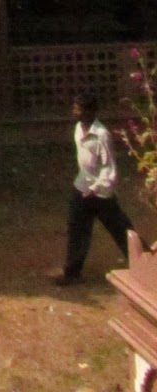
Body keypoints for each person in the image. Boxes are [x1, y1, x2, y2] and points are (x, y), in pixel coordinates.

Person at [55, 88, 133, 284]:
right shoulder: (78, 129)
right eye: (75, 108)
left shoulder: (101, 135)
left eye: (78, 109)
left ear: (90, 112)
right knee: (76, 230)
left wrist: (96, 188)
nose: (74, 112)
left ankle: (145, 262)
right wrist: (86, 186)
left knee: (120, 229)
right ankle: (72, 273)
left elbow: (109, 168)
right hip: (82, 187)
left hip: (100, 193)